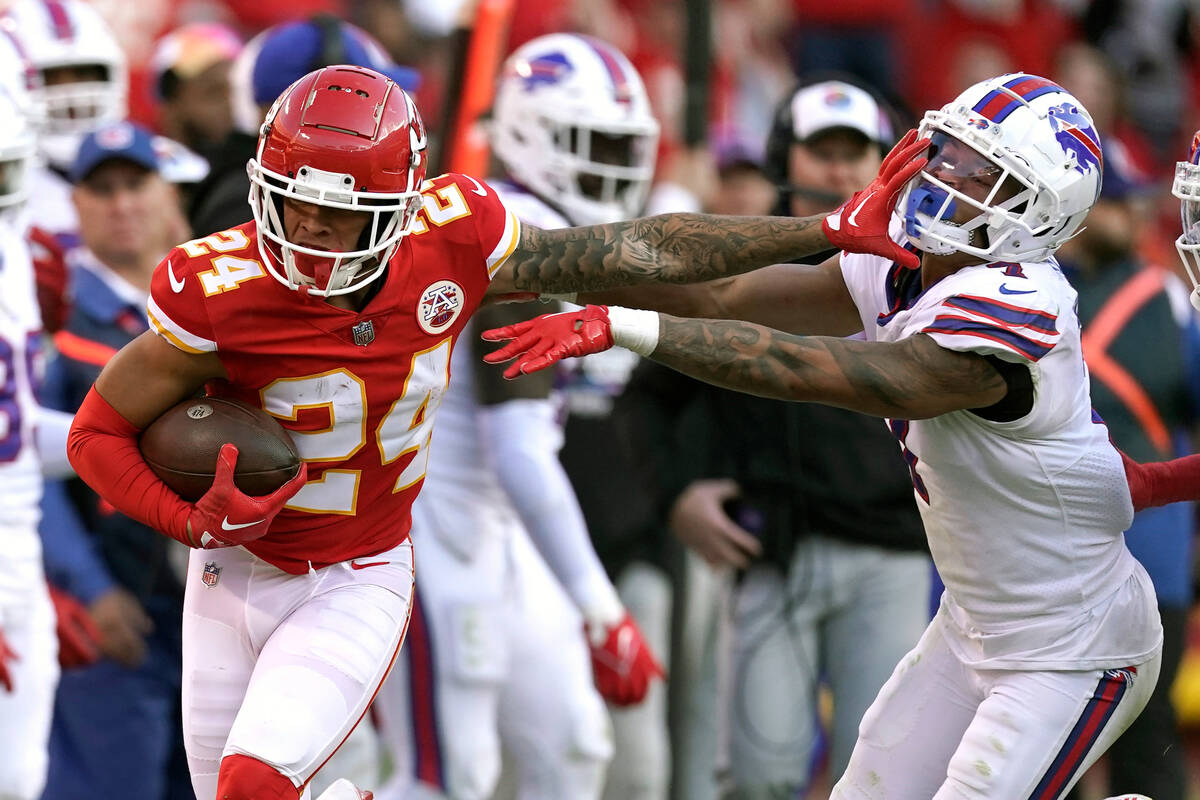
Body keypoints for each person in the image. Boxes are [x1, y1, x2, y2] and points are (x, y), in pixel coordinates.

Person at [63, 62, 913, 798]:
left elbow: (636, 251)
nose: (309, 233)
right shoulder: (219, 287)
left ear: (397, 208)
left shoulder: (455, 236)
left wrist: (822, 228)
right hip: (229, 570)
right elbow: (94, 436)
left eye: (338, 214)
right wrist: (190, 520)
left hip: (356, 573)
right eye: (291, 205)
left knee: (264, 783)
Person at [483, 73, 1171, 797]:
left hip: (1073, 645)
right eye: (954, 153)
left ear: (1038, 214)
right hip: (973, 623)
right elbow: (725, 291)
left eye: (985, 175)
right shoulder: (903, 257)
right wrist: (524, 263)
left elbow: (810, 368)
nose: (950, 179)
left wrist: (626, 327)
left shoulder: (1020, 310)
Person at [371, 33, 663, 800]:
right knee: (446, 774)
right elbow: (519, 449)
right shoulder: (508, 238)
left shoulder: (568, 235)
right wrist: (603, 612)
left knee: (571, 747)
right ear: (533, 135)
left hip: (499, 524)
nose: (615, 166)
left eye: (623, 146)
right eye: (595, 144)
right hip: (435, 517)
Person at [655, 78, 932, 797]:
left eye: (856, 153)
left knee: (876, 781)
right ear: (787, 158)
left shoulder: (926, 263)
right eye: (821, 151)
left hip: (892, 554)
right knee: (760, 778)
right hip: (771, 552)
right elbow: (653, 392)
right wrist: (677, 492)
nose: (840, 170)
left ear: (884, 161)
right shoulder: (744, 255)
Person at [38, 121, 195, 800]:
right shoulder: (55, 312)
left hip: (212, 610)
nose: (121, 203)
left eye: (135, 184)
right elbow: (20, 468)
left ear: (165, 191)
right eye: (101, 189)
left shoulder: (209, 302)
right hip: (115, 608)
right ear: (75, 204)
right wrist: (91, 588)